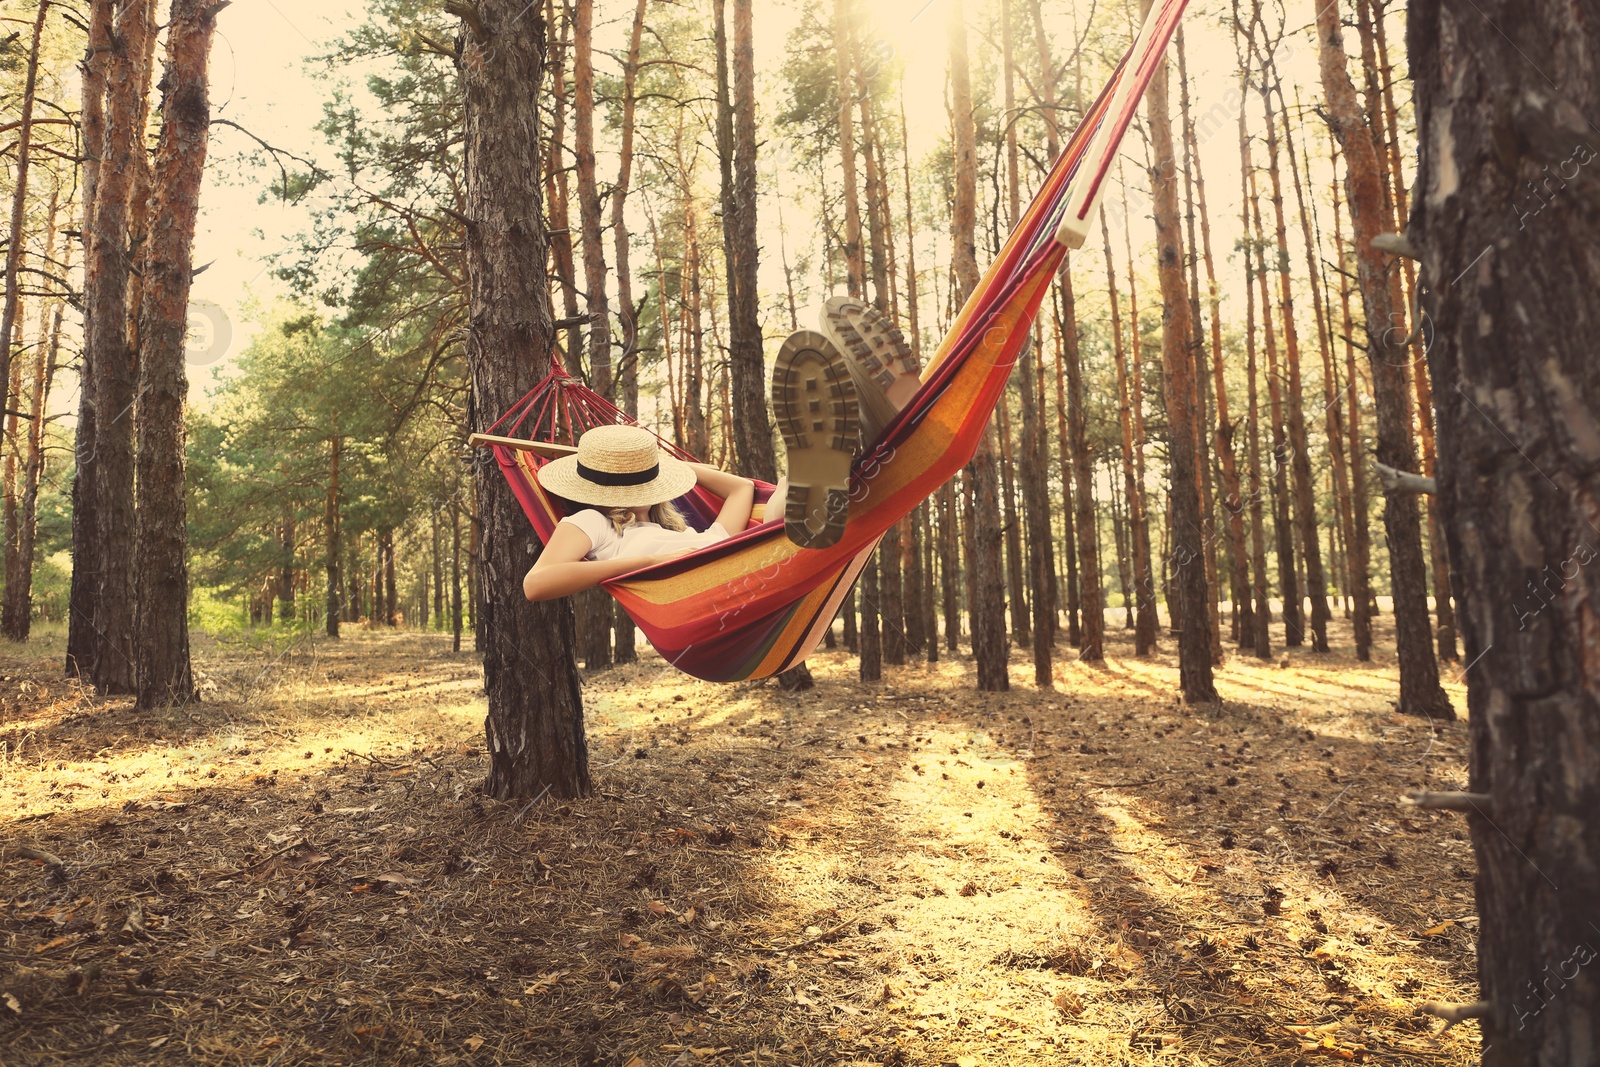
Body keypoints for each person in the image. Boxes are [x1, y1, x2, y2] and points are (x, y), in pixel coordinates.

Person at [522, 299, 921, 601]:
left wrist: (663, 460)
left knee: (783, 499)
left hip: (739, 560)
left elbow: (742, 490)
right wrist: (644, 564)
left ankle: (865, 429)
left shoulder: (688, 531)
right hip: (718, 593)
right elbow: (536, 583)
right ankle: (852, 441)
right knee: (789, 521)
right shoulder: (593, 522)